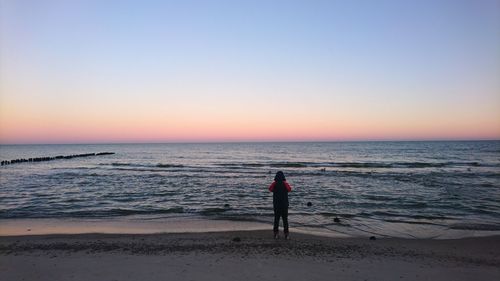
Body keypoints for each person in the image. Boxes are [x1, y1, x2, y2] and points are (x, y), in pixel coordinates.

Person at [268, 171, 292, 239]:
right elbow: (289, 189)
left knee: (276, 219)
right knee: (285, 220)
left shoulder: (274, 183)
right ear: (283, 177)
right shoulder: (285, 183)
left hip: (276, 204)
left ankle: (276, 234)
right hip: (284, 204)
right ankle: (286, 235)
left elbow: (270, 189)